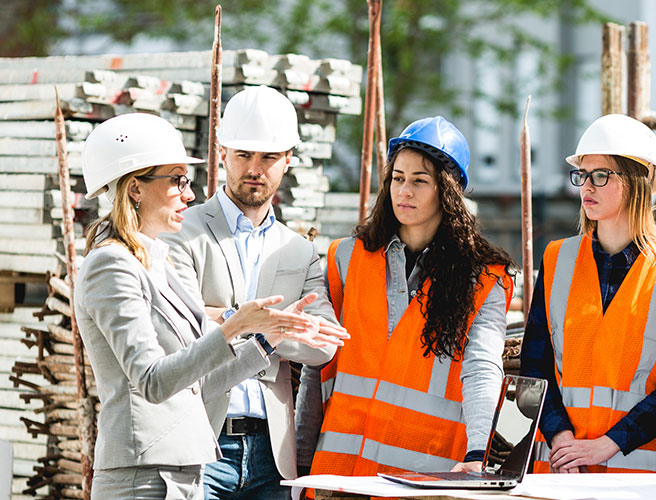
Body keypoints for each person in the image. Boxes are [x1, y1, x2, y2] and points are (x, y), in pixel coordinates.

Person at [74, 112, 347, 500]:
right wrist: (236, 325)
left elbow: (197, 383)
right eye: (177, 180)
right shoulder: (111, 264)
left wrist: (266, 339)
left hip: (177, 470)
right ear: (135, 188)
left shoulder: (152, 261)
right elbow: (152, 381)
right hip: (143, 473)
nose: (189, 194)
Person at [161, 86, 344, 499]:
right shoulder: (182, 233)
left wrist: (229, 318)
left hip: (270, 452)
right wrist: (274, 326)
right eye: (244, 155)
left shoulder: (298, 250)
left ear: (288, 159)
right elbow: (182, 333)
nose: (255, 168)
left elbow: (324, 346)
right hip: (200, 439)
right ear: (223, 152)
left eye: (268, 157)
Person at [309, 116, 515, 476]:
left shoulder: (482, 278)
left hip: (422, 477)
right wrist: (299, 457)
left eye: (420, 181)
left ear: (449, 190)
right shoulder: (347, 257)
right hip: (340, 475)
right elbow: (318, 368)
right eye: (398, 178)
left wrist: (477, 452)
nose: (404, 191)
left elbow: (482, 368)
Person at [521, 114, 656, 473]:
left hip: (636, 479)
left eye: (601, 175)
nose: (586, 187)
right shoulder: (557, 259)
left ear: (637, 180)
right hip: (560, 471)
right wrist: (560, 437)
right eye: (582, 174)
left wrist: (606, 445)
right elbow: (534, 366)